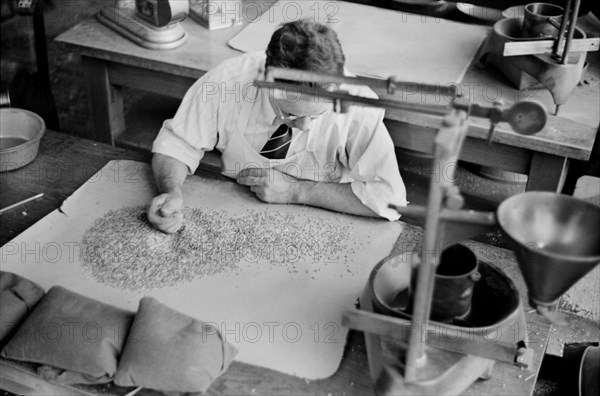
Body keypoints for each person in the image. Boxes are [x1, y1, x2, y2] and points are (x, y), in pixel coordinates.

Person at [148, 19, 407, 233]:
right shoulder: (227, 82)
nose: (305, 125)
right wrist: (172, 192)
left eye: (316, 115)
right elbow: (176, 145)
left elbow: (389, 198)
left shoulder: (358, 107)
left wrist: (296, 191)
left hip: (324, 218)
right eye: (293, 115)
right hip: (234, 210)